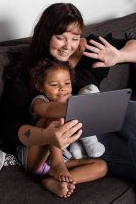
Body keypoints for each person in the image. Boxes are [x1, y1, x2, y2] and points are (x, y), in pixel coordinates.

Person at [1, 3, 136, 204]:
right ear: (45, 35)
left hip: (97, 134)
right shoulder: (27, 71)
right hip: (59, 145)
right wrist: (53, 131)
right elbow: (10, 128)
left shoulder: (90, 48)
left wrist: (119, 56)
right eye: (60, 38)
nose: (68, 45)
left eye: (74, 38)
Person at [16, 57, 106, 198]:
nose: (62, 88)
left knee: (102, 167)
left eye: (67, 83)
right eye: (54, 84)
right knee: (55, 119)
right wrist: (79, 107)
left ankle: (56, 182)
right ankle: (57, 164)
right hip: (35, 157)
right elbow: (45, 110)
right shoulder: (39, 100)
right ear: (40, 86)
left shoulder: (73, 99)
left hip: (60, 165)